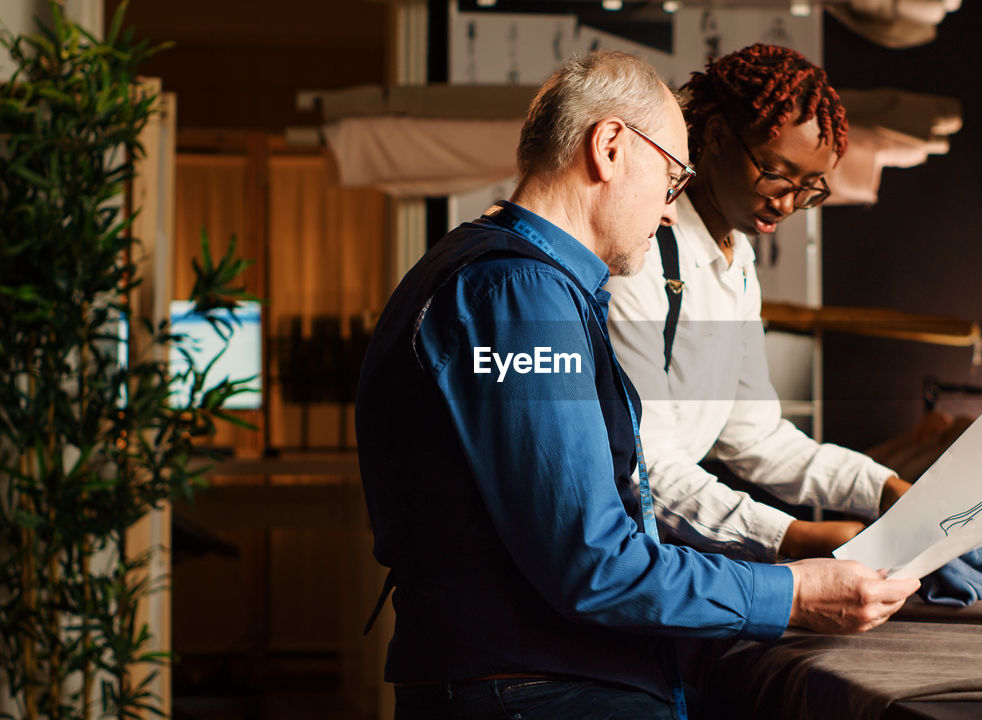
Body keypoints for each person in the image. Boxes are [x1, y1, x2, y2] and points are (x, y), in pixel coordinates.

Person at [355, 50, 920, 719]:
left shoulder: (526, 283)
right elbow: (592, 560)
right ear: (611, 147)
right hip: (534, 687)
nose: (668, 211)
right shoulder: (521, 295)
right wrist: (790, 592)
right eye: (671, 179)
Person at [605, 44, 915, 563]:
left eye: (809, 188)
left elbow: (755, 437)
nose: (788, 203)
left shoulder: (738, 264)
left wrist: (884, 488)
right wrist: (793, 538)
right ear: (718, 138)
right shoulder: (642, 255)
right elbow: (647, 466)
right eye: (776, 173)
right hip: (612, 543)